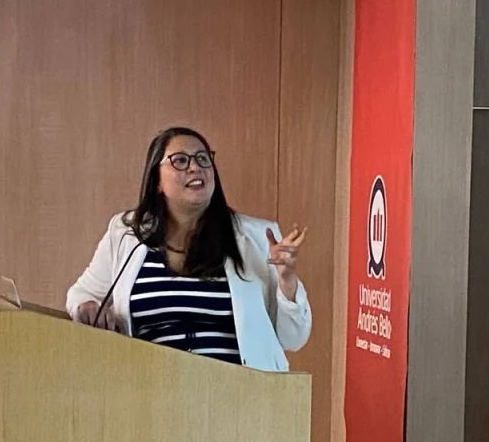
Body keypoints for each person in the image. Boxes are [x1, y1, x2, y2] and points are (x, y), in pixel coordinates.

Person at [66, 127, 311, 372]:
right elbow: (80, 297)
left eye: (203, 159)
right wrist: (88, 307)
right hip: (146, 397)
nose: (195, 167)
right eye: (180, 161)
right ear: (157, 181)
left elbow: (293, 338)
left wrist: (287, 283)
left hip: (238, 399)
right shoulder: (127, 234)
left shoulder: (258, 237)